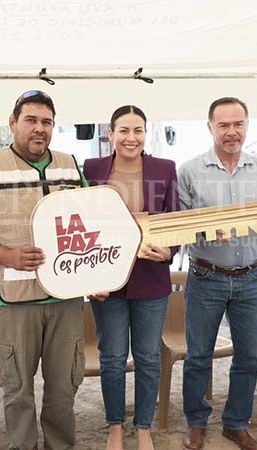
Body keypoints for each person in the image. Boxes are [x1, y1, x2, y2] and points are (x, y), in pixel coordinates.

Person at [0, 90, 87, 450]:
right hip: (12, 301)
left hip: (65, 299)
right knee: (18, 390)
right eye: (31, 120)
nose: (39, 128)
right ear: (13, 123)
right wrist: (6, 256)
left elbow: (89, 222)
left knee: (64, 387)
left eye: (46, 122)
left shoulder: (70, 165)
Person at [178, 97, 257, 450]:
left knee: (249, 356)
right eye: (223, 125)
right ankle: (197, 422)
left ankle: (236, 423)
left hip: (251, 277)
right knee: (199, 355)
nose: (231, 132)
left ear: (246, 126)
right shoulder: (190, 170)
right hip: (206, 276)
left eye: (238, 124)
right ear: (210, 127)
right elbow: (180, 225)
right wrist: (205, 232)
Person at [82, 105, 178, 450]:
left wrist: (169, 251)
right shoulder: (91, 168)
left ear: (146, 134)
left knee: (148, 356)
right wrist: (88, 277)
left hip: (151, 277)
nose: (131, 138)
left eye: (138, 130)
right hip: (106, 279)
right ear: (110, 134)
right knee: (112, 356)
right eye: (123, 130)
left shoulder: (165, 168)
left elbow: (173, 220)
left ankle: (143, 427)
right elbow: (82, 224)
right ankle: (115, 427)